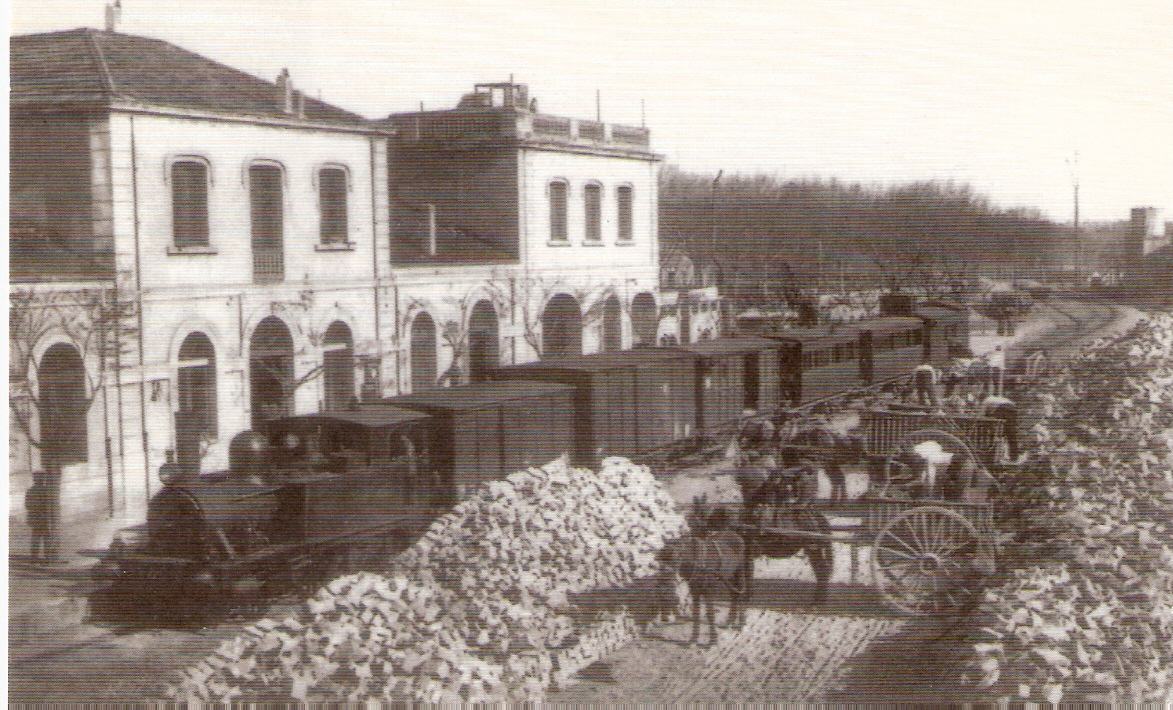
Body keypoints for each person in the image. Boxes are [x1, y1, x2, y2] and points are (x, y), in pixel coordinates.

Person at [25, 470, 55, 563]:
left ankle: (34, 559)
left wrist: (34, 511)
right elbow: (50, 505)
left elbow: (27, 505)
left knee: (36, 538)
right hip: (44, 518)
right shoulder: (46, 491)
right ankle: (47, 560)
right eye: (42, 478)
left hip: (35, 519)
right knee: (46, 538)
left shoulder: (30, 491)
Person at [982, 393, 1019, 462]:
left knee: (996, 432)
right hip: (1012, 407)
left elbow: (982, 415)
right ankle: (1014, 457)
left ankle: (992, 456)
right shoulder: (995, 399)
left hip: (1002, 408)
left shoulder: (986, 400)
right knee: (1011, 433)